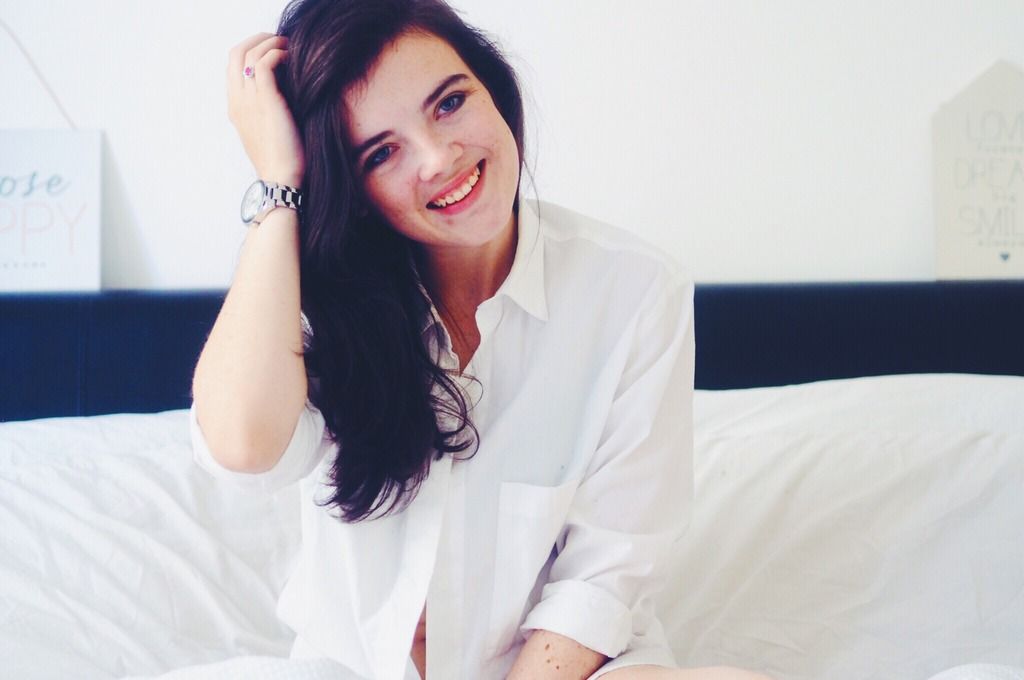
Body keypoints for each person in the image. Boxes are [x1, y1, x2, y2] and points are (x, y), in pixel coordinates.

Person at [191, 1, 772, 679]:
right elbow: (242, 446)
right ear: (352, 188)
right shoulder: (313, 302)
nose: (440, 158)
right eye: (382, 152)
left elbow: (603, 581)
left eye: (450, 103)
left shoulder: (636, 291)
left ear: (491, 87)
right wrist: (279, 185)